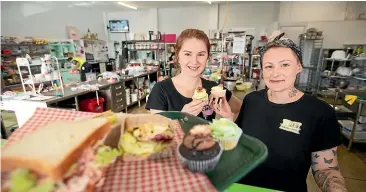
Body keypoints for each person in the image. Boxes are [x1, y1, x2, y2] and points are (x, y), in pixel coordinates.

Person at [210, 31, 347, 192]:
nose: (275, 73)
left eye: (285, 64)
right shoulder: (251, 100)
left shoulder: (320, 112)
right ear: (262, 69)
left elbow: (326, 169)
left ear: (298, 67)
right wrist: (228, 120)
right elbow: (241, 144)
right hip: (242, 187)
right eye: (269, 66)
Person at [146, 29, 242, 121]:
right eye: (188, 54)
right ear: (177, 56)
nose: (194, 61)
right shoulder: (161, 90)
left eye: (201, 55)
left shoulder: (214, 89)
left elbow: (240, 109)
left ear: (207, 57)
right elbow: (157, 132)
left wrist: (228, 121)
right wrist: (181, 118)